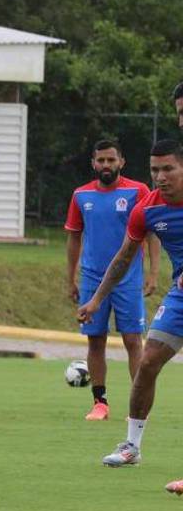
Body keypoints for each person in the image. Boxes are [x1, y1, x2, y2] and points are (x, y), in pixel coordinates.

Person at [79, 138, 183, 486]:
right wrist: (95, 299)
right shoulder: (147, 209)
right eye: (155, 170)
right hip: (181, 295)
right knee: (148, 361)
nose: (160, 176)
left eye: (168, 168)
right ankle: (131, 446)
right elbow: (124, 258)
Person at [65, 139, 157, 421]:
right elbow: (73, 237)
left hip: (128, 278)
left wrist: (153, 273)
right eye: (101, 161)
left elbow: (151, 232)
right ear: (93, 163)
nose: (106, 165)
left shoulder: (138, 191)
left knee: (133, 340)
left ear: (121, 162)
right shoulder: (81, 195)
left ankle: (138, 403)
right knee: (95, 341)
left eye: (111, 160)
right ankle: (100, 404)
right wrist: (70, 278)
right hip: (92, 277)